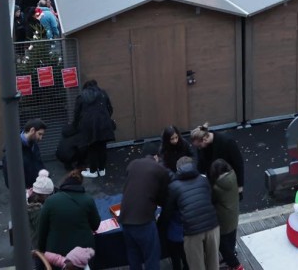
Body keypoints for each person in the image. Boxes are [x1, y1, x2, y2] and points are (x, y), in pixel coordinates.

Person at [119, 141, 172, 270]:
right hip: (144, 221)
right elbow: (164, 197)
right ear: (156, 156)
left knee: (133, 254)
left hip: (125, 218)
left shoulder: (132, 164)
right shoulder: (160, 170)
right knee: (151, 256)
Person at [164, 156, 220, 270]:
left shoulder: (174, 186)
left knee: (196, 265)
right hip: (212, 226)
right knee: (214, 262)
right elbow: (213, 199)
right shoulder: (204, 179)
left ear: (177, 169)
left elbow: (168, 211)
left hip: (192, 230)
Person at [37, 169, 100, 258]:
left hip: (57, 252)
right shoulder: (88, 200)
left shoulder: (50, 201)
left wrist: (42, 250)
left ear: (64, 183)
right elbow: (95, 225)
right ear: (80, 184)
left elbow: (42, 230)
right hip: (83, 252)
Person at [73, 79, 115, 178]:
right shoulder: (103, 93)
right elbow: (110, 108)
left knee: (92, 147)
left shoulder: (81, 96)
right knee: (102, 146)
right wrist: (106, 118)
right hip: (103, 123)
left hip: (89, 125)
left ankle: (93, 171)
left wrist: (75, 124)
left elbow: (76, 113)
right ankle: (102, 169)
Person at [191, 124, 245, 199]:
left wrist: (240, 187)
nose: (198, 148)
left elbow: (238, 164)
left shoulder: (227, 142)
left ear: (205, 139)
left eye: (199, 146)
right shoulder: (201, 146)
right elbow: (201, 164)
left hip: (228, 182)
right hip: (214, 183)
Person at [209, 159, 243, 270]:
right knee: (231, 240)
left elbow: (212, 200)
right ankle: (230, 259)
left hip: (223, 220)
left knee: (222, 244)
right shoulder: (233, 176)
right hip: (233, 215)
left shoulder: (216, 188)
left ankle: (235, 265)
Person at [2, 118, 47, 189]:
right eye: (39, 134)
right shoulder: (13, 149)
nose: (40, 138)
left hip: (35, 186)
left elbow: (39, 164)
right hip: (25, 190)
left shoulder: (33, 144)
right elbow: (10, 177)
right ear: (32, 130)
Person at [27, 169, 54, 250]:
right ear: (46, 195)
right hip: (38, 247)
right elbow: (41, 234)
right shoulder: (39, 211)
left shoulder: (28, 201)